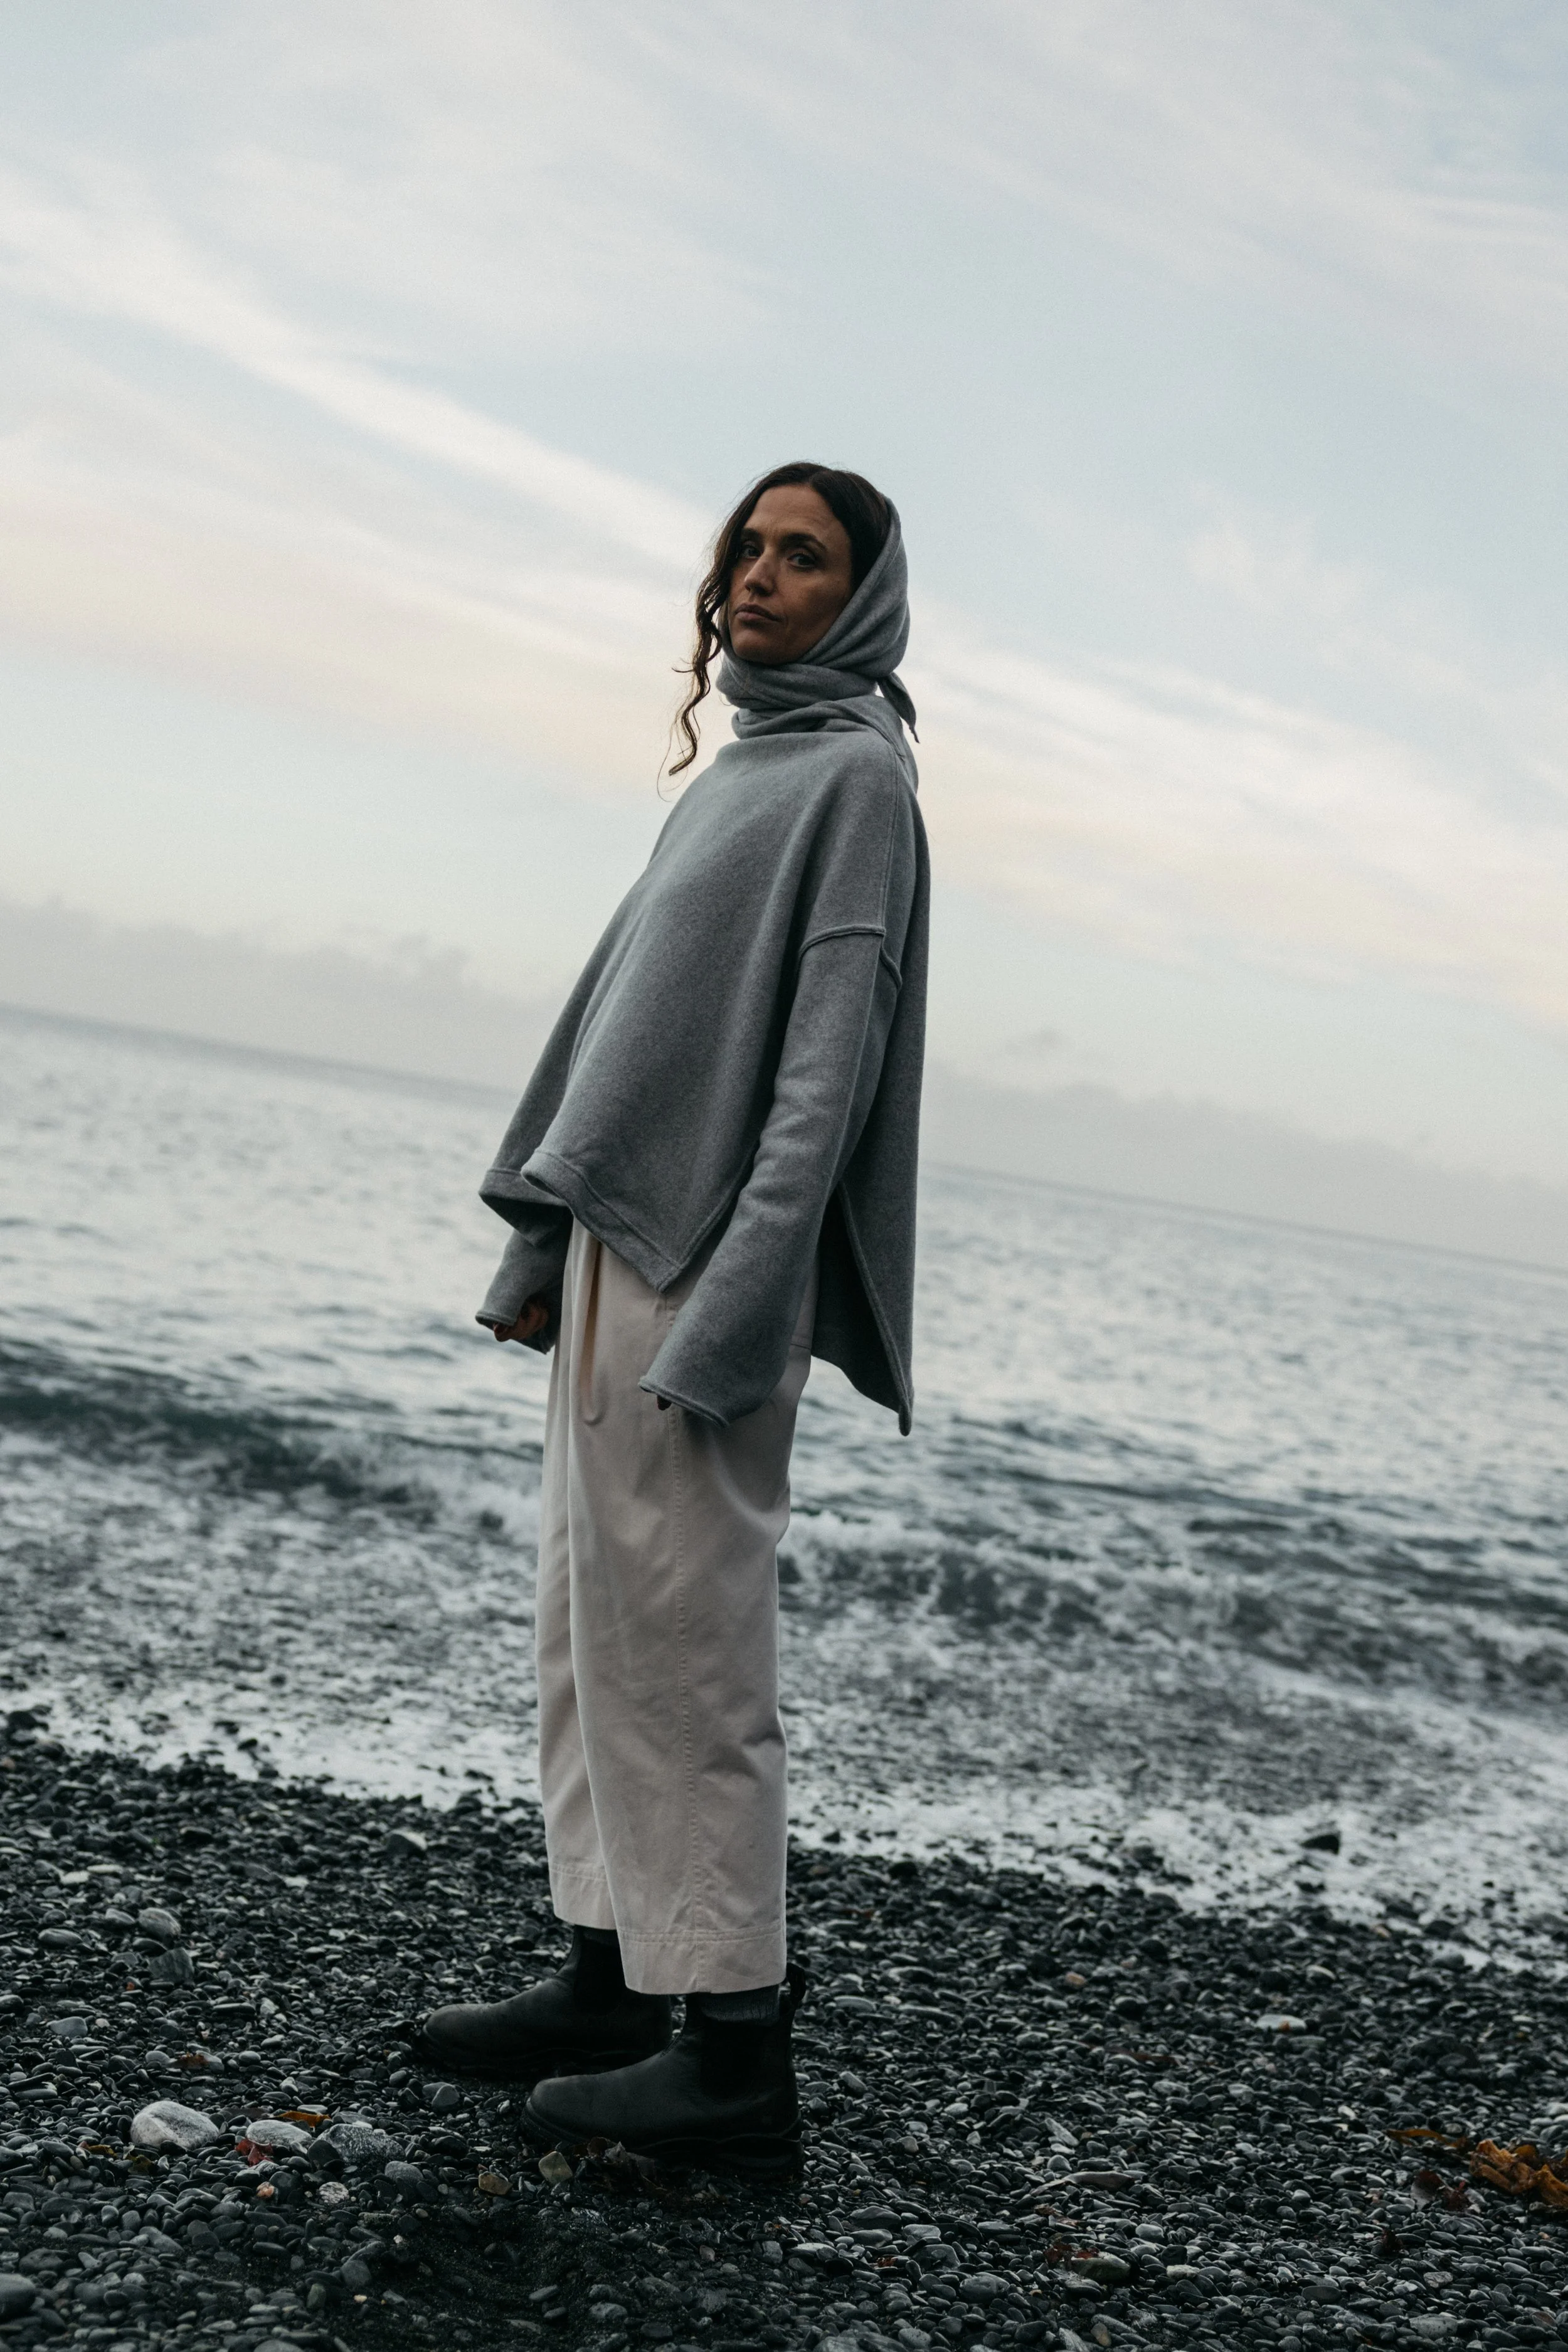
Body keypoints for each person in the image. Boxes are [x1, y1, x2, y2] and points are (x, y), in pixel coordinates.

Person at [415, 461, 929, 2176]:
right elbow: (620, 1030)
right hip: (620, 1255)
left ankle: (735, 2054)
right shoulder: (738, 772)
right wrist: (539, 1253)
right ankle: (611, 1974)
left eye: (804, 557)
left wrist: (739, 1303)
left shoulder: (855, 781)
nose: (757, 578)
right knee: (590, 1630)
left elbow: (823, 1078)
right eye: (746, 549)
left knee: (693, 1651)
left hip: (710, 1271)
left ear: (862, 597)